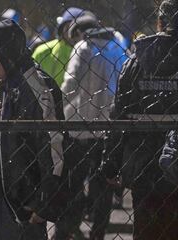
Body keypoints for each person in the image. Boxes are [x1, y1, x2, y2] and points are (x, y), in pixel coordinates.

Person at [0, 19, 66, 240]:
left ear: (6, 54)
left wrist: (45, 201)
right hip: (5, 198)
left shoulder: (36, 86)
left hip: (28, 202)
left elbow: (53, 146)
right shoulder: (4, 85)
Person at [101, 0, 178, 239]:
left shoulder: (136, 61)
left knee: (146, 225)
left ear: (160, 22)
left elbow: (119, 116)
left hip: (141, 162)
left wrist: (110, 163)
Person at [59, 13, 128, 240]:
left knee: (75, 182)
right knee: (103, 185)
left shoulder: (84, 47)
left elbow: (70, 84)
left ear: (80, 32)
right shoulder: (117, 47)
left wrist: (58, 107)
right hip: (108, 127)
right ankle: (98, 231)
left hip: (80, 127)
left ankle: (70, 228)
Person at [32, 7, 88, 86]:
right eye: (69, 27)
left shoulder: (89, 53)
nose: (72, 32)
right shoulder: (43, 51)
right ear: (61, 29)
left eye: (77, 28)